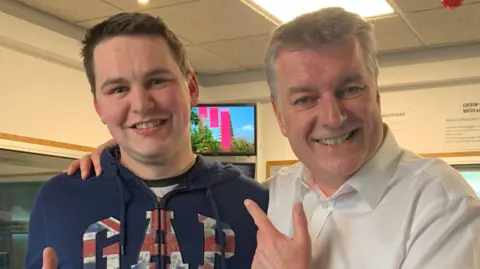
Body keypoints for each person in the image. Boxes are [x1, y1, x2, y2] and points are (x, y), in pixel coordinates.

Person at [67, 7, 480, 269]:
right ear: (280, 115)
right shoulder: (275, 192)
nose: (332, 117)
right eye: (305, 99)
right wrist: (124, 152)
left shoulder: (441, 207)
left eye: (350, 89)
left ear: (376, 93)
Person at [24, 12, 268, 269]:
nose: (142, 104)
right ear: (99, 108)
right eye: (119, 89)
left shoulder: (255, 205)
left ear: (192, 88)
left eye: (157, 81)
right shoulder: (57, 199)